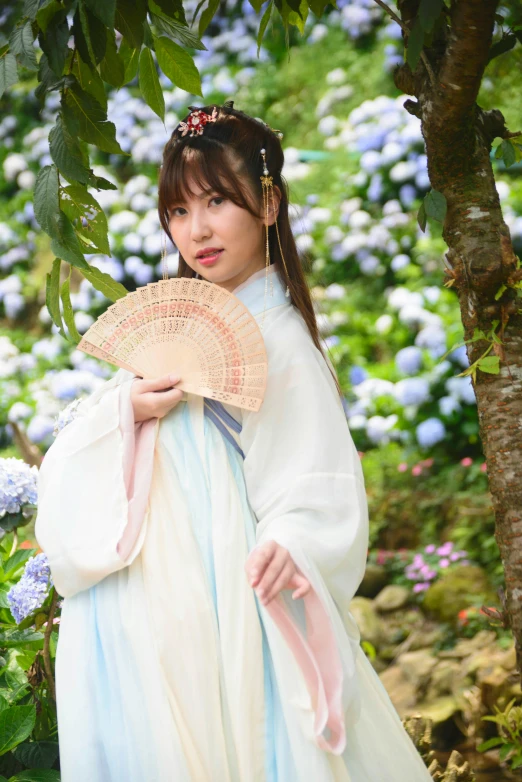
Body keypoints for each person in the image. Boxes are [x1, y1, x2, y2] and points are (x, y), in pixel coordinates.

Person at [35, 101, 432, 781]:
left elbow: (314, 485)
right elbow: (82, 458)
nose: (198, 230)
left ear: (268, 204)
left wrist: (294, 540)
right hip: (154, 603)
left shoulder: (280, 342)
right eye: (180, 211)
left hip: (230, 603)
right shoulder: (180, 334)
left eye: (217, 200)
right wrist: (126, 409)